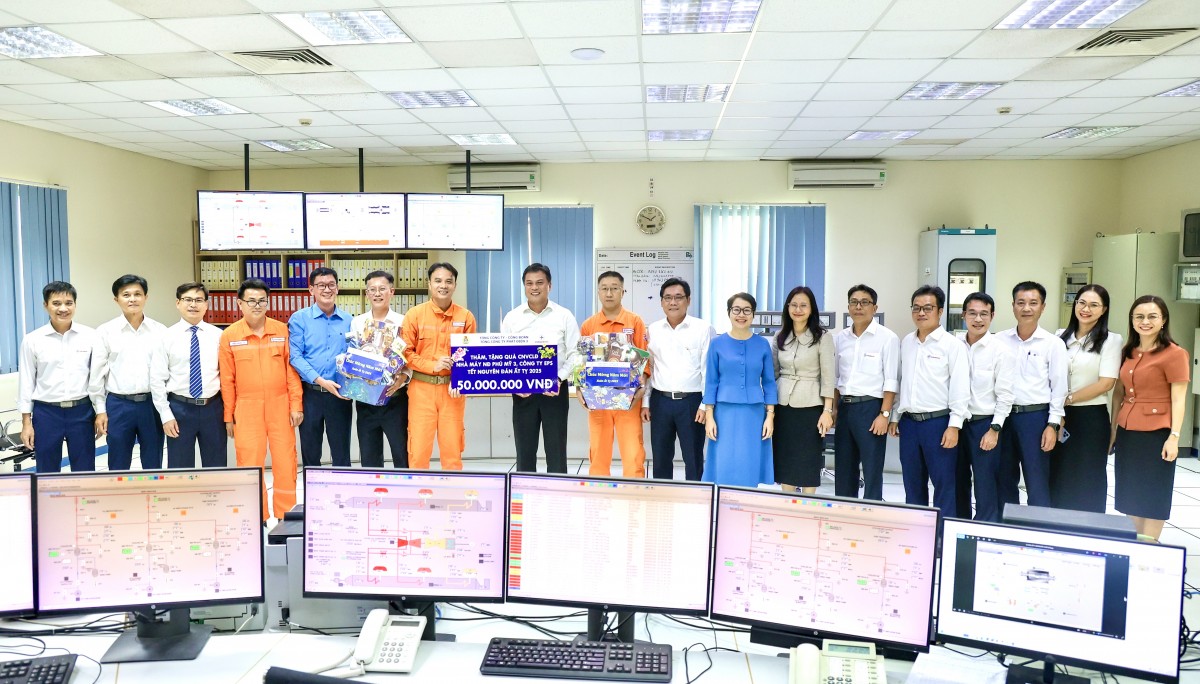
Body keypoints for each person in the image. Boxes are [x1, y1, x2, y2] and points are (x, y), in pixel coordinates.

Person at [219, 279, 303, 521]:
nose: (257, 305)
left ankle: (287, 517)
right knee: (249, 462)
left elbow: (291, 371)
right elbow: (227, 380)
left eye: (262, 301)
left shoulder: (281, 330)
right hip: (246, 408)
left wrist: (296, 405)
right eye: (251, 301)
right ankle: (258, 517)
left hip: (280, 405)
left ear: (268, 302)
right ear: (240, 304)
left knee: (285, 461)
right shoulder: (230, 336)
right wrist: (228, 416)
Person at [1111, 295, 1189, 541]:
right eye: (1139, 317)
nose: (1145, 321)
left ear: (1163, 320)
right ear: (1132, 321)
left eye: (1152, 316)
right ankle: (1134, 545)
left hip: (1157, 434)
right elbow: (1119, 393)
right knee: (1131, 494)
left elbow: (1179, 399)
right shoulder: (1128, 352)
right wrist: (1114, 431)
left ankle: (1150, 548)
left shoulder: (1175, 354)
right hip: (1128, 431)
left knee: (1153, 495)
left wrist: (1174, 437)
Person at [889, 286, 969, 519]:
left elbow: (960, 388)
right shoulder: (907, 342)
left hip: (939, 424)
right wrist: (895, 416)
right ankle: (917, 532)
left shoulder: (952, 345)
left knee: (944, 485)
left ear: (940, 311)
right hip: (909, 424)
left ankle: (942, 533)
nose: (921, 313)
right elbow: (901, 381)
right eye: (916, 308)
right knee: (912, 484)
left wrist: (954, 426)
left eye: (927, 308)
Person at [500, 263, 580, 474]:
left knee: (556, 451)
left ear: (549, 286)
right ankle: (525, 490)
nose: (534, 287)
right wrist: (514, 384)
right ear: (524, 286)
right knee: (524, 451)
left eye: (539, 283)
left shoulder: (564, 316)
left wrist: (559, 378)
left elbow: (575, 354)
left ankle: (557, 490)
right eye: (529, 283)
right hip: (523, 393)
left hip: (555, 391)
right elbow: (504, 356)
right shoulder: (512, 318)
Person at [995, 281, 1068, 509]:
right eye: (1021, 303)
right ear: (1013, 306)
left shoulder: (1053, 344)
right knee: (1003, 478)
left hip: (1035, 419)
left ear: (1042, 307)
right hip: (1003, 418)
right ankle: (1007, 525)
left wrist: (1052, 425)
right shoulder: (999, 340)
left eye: (1033, 303)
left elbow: (1059, 388)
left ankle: (1038, 528)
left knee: (1037, 481)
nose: (1026, 308)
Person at [18, 281, 103, 473]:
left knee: (84, 468)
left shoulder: (90, 336)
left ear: (75, 304)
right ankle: (48, 494)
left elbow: (97, 379)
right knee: (46, 470)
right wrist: (26, 423)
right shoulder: (33, 340)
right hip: (46, 413)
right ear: (45, 305)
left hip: (82, 411)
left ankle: (83, 495)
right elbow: (26, 383)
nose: (63, 308)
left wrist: (100, 412)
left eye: (68, 303)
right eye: (56, 303)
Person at [1051, 284, 1121, 513]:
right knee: (1059, 472)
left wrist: (1066, 400)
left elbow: (1106, 383)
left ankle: (1089, 528)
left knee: (1088, 476)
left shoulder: (1111, 340)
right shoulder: (1059, 336)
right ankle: (1056, 526)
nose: (1086, 309)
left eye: (1094, 305)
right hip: (1059, 415)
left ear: (1104, 310)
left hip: (1090, 417)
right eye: (1082, 302)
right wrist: (1059, 407)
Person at [401, 262, 477, 470]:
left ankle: (453, 490)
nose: (443, 285)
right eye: (438, 281)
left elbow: (471, 355)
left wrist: (460, 380)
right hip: (421, 390)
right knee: (418, 452)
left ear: (455, 285)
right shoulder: (414, 315)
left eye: (448, 281)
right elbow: (406, 353)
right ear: (429, 284)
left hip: (452, 391)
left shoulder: (465, 317)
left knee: (452, 453)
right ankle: (418, 489)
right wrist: (432, 365)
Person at [89, 274, 166, 471]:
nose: (132, 299)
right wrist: (100, 410)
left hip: (152, 405)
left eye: (137, 294)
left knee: (154, 461)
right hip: (119, 405)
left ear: (146, 297)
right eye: (126, 295)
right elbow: (96, 375)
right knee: (118, 462)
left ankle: (152, 491)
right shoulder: (105, 332)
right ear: (116, 299)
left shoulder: (160, 331)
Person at [579, 271, 650, 478]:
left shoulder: (635, 322)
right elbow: (581, 363)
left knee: (633, 452)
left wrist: (642, 388)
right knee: (598, 452)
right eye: (604, 288)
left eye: (614, 288)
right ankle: (599, 492)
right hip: (598, 398)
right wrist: (580, 390)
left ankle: (634, 492)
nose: (609, 293)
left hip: (629, 399)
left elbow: (644, 360)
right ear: (598, 292)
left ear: (622, 291)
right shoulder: (589, 325)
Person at [702, 293, 777, 487]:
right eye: (736, 310)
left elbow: (769, 382)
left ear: (753, 314)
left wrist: (770, 416)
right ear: (729, 313)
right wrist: (709, 416)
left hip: (754, 412)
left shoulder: (762, 344)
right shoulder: (717, 344)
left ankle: (747, 502)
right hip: (723, 412)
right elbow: (711, 382)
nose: (741, 315)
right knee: (724, 462)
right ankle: (722, 502)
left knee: (749, 461)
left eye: (746, 310)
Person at [832, 284, 899, 501]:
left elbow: (891, 380)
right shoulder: (840, 338)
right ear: (848, 306)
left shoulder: (887, 338)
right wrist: (834, 409)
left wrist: (885, 414)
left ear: (874, 307)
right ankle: (844, 510)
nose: (858, 307)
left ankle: (872, 511)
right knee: (844, 468)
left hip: (871, 409)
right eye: (854, 302)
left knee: (872, 470)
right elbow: (836, 379)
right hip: (845, 408)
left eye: (864, 302)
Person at [150, 283, 227, 469]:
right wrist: (166, 415)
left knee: (216, 466)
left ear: (206, 304)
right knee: (180, 468)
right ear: (178, 303)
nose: (193, 304)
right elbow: (157, 379)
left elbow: (226, 374)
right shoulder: (166, 337)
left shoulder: (219, 336)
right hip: (179, 409)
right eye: (188, 300)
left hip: (213, 408)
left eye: (199, 300)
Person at [643, 277, 713, 480]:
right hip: (660, 401)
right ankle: (664, 494)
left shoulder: (703, 329)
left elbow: (708, 371)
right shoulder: (653, 330)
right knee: (660, 458)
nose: (673, 302)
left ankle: (696, 495)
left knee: (693, 458)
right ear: (661, 302)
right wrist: (646, 402)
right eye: (668, 298)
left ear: (688, 300)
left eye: (678, 297)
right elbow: (650, 368)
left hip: (692, 403)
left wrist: (705, 405)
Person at [958, 292, 1014, 522]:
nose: (978, 319)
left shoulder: (1000, 350)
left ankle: (984, 528)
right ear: (963, 315)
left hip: (985, 425)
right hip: (956, 424)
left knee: (985, 483)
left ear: (992, 316)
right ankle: (959, 526)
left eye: (984, 314)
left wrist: (995, 429)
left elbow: (1005, 395)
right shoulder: (954, 346)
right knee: (957, 480)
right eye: (972, 313)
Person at [772, 286, 834, 493]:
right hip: (783, 405)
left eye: (803, 305)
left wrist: (827, 411)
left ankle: (808, 505)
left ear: (811, 309)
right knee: (786, 458)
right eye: (794, 305)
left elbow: (828, 377)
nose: (798, 309)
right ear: (787, 307)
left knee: (808, 460)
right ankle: (787, 502)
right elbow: (774, 373)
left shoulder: (822, 337)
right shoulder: (780, 336)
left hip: (811, 406)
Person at [289, 266, 352, 468]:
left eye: (331, 285)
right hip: (310, 394)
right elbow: (295, 357)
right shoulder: (299, 319)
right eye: (321, 285)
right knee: (311, 452)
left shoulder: (350, 320)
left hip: (340, 395)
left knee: (341, 453)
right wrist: (320, 380)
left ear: (337, 288)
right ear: (311, 290)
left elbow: (354, 356)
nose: (327, 289)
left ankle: (342, 488)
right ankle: (312, 489)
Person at [352, 270, 410, 469]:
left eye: (382, 289)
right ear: (366, 293)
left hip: (395, 399)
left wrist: (403, 378)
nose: (377, 293)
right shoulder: (357, 322)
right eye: (372, 289)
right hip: (366, 400)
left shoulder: (404, 322)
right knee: (369, 458)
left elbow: (410, 358)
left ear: (391, 292)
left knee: (402, 455)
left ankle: (404, 488)